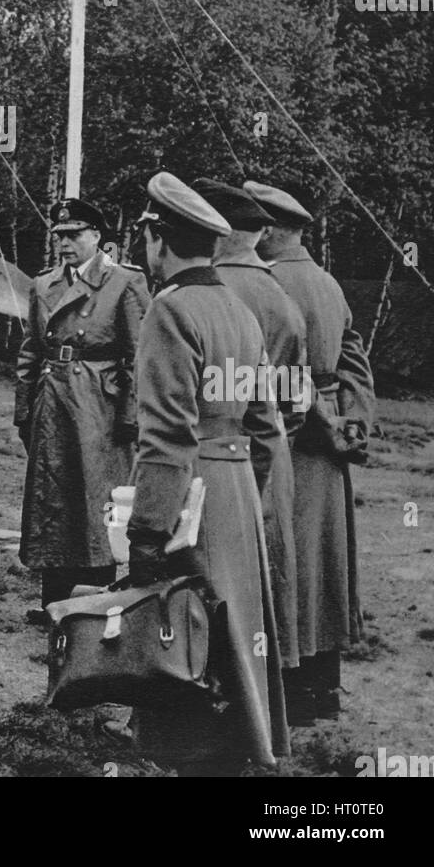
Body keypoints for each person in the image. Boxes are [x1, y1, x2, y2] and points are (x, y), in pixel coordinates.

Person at [125, 172, 289, 776]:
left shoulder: (170, 311)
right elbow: (266, 428)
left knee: (183, 630)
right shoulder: (240, 311)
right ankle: (234, 752)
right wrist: (245, 497)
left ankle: (192, 760)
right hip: (237, 490)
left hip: (189, 496)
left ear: (158, 241)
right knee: (233, 638)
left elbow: (166, 436)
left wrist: (147, 530)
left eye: (145, 237)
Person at [247, 180, 375, 724]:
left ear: (271, 229)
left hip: (286, 437)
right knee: (324, 561)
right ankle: (322, 689)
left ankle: (289, 689)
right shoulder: (328, 283)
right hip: (327, 444)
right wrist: (353, 424)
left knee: (285, 560)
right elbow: (354, 361)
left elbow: (268, 368)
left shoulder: (264, 285)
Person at [193, 178, 308, 677]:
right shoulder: (280, 297)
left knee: (199, 582)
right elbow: (295, 402)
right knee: (261, 582)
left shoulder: (199, 292)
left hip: (203, 456)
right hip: (265, 452)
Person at [15, 198, 150, 609]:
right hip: (53, 399)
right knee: (52, 497)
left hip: (100, 405)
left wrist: (130, 414)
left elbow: (140, 356)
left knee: (96, 501)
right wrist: (25, 409)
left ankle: (92, 605)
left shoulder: (124, 282)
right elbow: (30, 351)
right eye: (60, 236)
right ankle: (53, 601)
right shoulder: (44, 284)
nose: (66, 244)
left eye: (75, 235)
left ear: (97, 237)